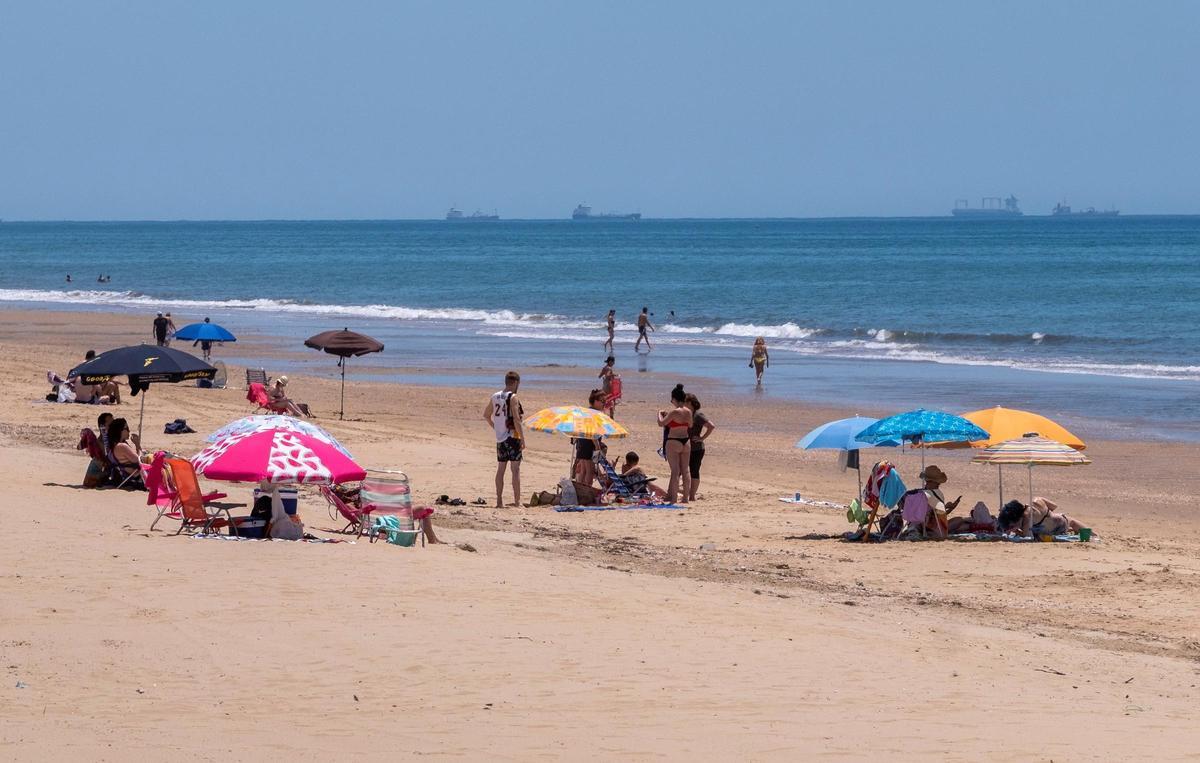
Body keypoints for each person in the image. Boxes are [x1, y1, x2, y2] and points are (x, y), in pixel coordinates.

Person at [483, 370, 524, 508]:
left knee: (501, 469)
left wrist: (496, 427)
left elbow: (486, 415)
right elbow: (517, 420)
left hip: (500, 438)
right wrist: (523, 438)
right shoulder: (513, 397)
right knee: (515, 469)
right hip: (512, 437)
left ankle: (499, 501)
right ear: (516, 383)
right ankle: (517, 501)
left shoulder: (495, 396)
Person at [903, 465, 962, 539]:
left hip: (916, 523)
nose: (939, 484)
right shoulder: (931, 495)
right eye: (938, 483)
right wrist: (946, 507)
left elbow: (936, 515)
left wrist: (950, 508)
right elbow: (937, 516)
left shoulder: (917, 494)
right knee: (959, 520)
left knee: (960, 520)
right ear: (931, 481)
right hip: (931, 528)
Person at [656, 383, 693, 504]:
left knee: (675, 471)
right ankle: (686, 498)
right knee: (686, 470)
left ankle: (673, 499)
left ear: (674, 399)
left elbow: (661, 424)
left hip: (673, 441)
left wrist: (659, 414)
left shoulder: (674, 412)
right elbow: (690, 425)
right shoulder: (689, 411)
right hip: (686, 441)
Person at [997, 497, 1086, 538]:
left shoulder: (1027, 517)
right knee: (1074, 524)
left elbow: (1028, 536)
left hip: (1056, 528)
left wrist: (1016, 530)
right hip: (1061, 520)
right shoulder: (1037, 500)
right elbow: (1054, 506)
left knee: (1075, 527)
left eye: (1012, 525)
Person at [573, 389, 608, 487]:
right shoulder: (593, 414)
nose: (604, 404)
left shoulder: (587, 412)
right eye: (602, 401)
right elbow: (591, 431)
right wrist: (597, 446)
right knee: (590, 470)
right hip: (589, 445)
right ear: (595, 401)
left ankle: (581, 489)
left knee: (584, 470)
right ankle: (587, 488)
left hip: (582, 444)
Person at [684, 393, 715, 501]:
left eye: (684, 402)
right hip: (686, 447)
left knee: (694, 471)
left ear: (690, 403)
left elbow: (711, 426)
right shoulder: (687, 413)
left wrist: (702, 438)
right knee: (682, 470)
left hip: (697, 448)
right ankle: (686, 494)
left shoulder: (697, 415)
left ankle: (692, 496)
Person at [106, 417, 144, 485]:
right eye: (127, 429)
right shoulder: (122, 446)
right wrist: (137, 445)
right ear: (120, 431)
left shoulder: (113, 446)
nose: (129, 431)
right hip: (137, 476)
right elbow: (140, 461)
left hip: (128, 474)